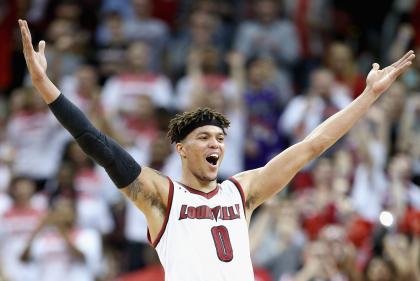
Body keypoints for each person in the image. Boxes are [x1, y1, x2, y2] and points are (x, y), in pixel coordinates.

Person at [17, 19, 415, 281]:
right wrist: (45, 86)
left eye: (221, 139)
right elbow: (96, 143)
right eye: (204, 137)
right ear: (182, 149)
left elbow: (315, 144)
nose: (215, 144)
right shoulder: (162, 196)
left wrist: (367, 96)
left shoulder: (241, 192)